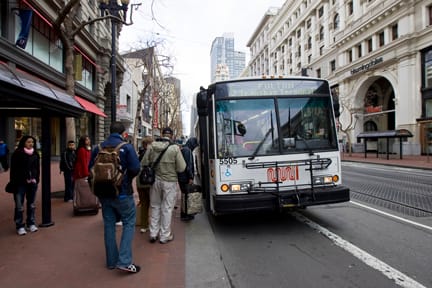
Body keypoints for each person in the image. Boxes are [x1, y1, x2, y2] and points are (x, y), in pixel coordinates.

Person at [89, 122, 141, 273]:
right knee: (129, 223)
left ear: (109, 131)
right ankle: (124, 261)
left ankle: (111, 261)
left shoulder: (98, 148)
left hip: (103, 193)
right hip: (123, 192)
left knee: (109, 225)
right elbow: (135, 168)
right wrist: (125, 179)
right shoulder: (126, 147)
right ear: (123, 133)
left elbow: (90, 169)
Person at [141, 127, 186, 244]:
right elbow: (182, 168)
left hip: (155, 181)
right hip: (170, 182)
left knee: (155, 206)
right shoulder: (175, 148)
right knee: (167, 208)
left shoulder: (152, 146)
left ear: (162, 134)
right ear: (171, 135)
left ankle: (153, 233)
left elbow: (144, 163)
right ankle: (164, 235)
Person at [9, 136, 40, 236]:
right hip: (20, 183)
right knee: (19, 206)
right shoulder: (17, 153)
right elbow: (13, 170)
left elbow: (37, 168)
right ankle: (20, 226)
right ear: (24, 143)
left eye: (32, 142)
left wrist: (36, 179)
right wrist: (15, 182)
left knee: (31, 205)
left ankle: (30, 223)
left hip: (32, 183)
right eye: (28, 142)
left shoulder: (35, 153)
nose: (31, 144)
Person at [177, 137, 199, 221]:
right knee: (187, 196)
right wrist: (190, 177)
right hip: (184, 177)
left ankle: (184, 214)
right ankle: (186, 215)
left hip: (182, 176)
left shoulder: (184, 149)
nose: (195, 147)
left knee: (185, 196)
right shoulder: (187, 150)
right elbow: (187, 166)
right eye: (195, 145)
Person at [136, 136, 154, 233]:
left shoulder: (139, 153)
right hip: (148, 182)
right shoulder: (150, 154)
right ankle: (153, 226)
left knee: (144, 204)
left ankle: (144, 225)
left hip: (140, 182)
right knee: (154, 204)